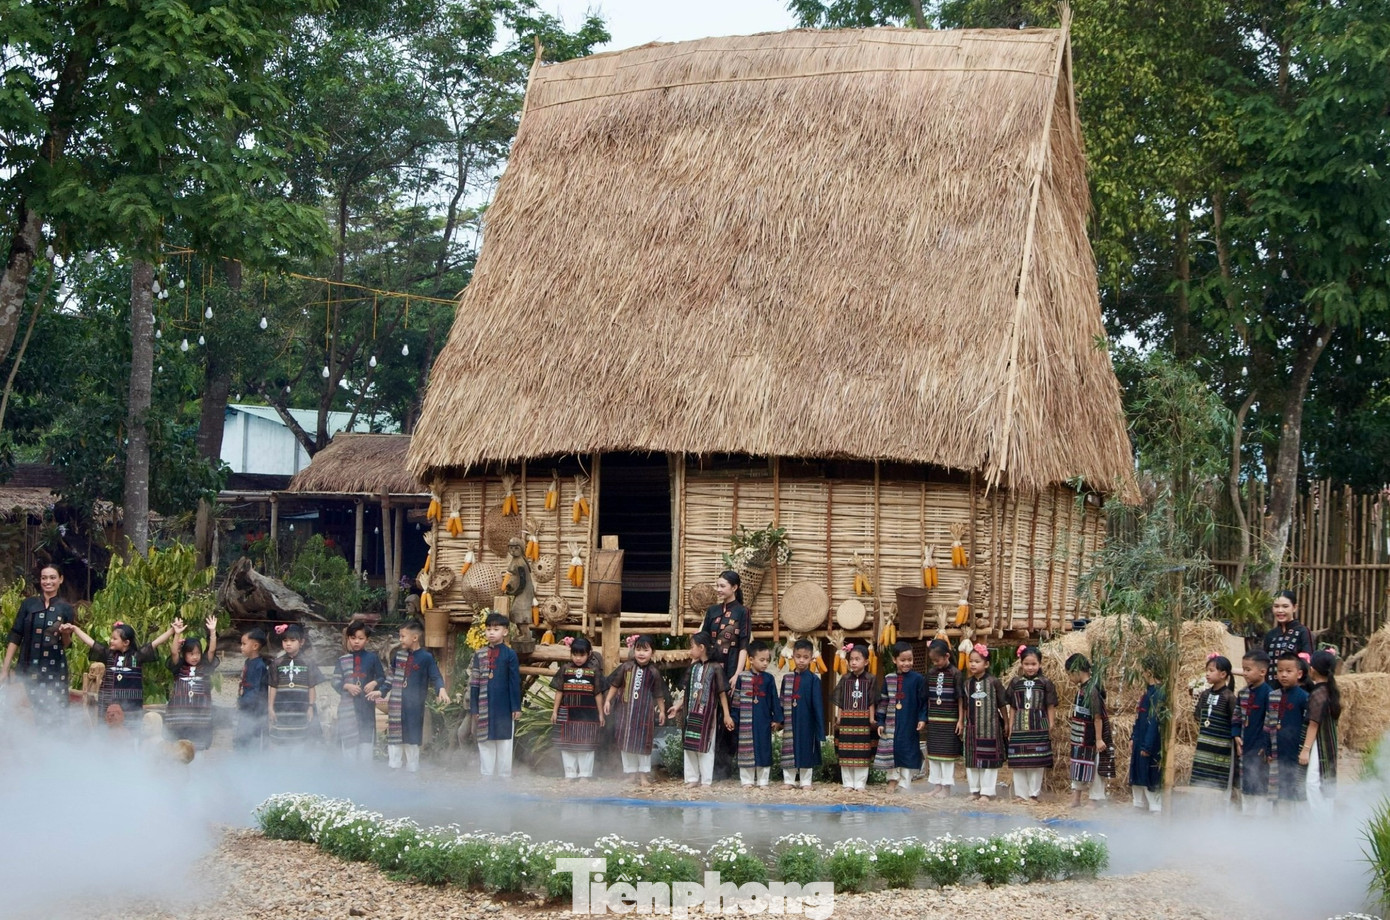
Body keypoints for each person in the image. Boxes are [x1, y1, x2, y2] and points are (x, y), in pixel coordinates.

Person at [372, 619, 448, 773]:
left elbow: (435, 676)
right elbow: (391, 677)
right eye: (400, 636)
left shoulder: (426, 657)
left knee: (412, 738)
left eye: (402, 636)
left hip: (414, 706)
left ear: (415, 637)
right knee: (395, 738)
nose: (400, 639)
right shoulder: (398, 656)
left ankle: (412, 770)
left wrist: (441, 689)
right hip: (396, 705)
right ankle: (394, 768)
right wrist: (381, 691)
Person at [1, 563, 77, 717]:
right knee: (23, 712)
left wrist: (65, 633)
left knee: (55, 711)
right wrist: (5, 669)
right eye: (44, 578)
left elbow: (67, 644)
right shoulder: (28, 604)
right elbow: (16, 635)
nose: (48, 582)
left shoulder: (66, 608)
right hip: (27, 666)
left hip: (55, 668)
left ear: (60, 579)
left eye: (52, 578)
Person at [67, 619, 175, 724]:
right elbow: (91, 642)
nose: (111, 641)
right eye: (111, 638)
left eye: (115, 639)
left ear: (126, 642)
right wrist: (75, 629)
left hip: (131, 708)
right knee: (106, 731)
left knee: (130, 730)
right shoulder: (109, 655)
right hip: (107, 706)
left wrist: (172, 630)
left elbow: (155, 643)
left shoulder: (136, 657)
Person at [666, 632, 733, 787]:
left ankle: (706, 781)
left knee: (706, 746)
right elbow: (688, 692)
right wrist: (677, 706)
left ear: (701, 648)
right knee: (689, 746)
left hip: (708, 715)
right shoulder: (693, 668)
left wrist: (726, 715)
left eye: (692, 647)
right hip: (690, 713)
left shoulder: (716, 668)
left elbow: (722, 693)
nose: (690, 650)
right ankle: (692, 779)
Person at [701, 570, 750, 778]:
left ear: (734, 588)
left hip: (730, 669)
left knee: (727, 716)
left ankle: (724, 768)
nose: (718, 590)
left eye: (722, 586)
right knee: (707, 712)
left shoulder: (742, 612)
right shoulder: (712, 611)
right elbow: (702, 639)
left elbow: (743, 645)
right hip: (711, 668)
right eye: (718, 585)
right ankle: (705, 765)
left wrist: (738, 673)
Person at [604, 634, 670, 786]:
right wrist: (607, 700)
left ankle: (643, 776)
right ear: (634, 651)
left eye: (645, 650)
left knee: (643, 744)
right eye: (638, 650)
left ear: (652, 652)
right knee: (626, 742)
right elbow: (615, 685)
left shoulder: (653, 672)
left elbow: (659, 694)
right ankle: (631, 774)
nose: (641, 653)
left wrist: (661, 711)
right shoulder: (626, 667)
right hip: (625, 713)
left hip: (644, 715)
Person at [467, 612, 521, 778]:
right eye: (488, 629)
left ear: (505, 632)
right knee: (485, 741)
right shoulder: (479, 654)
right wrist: (474, 708)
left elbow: (514, 682)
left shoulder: (510, 654)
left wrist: (516, 707)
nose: (491, 632)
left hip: (504, 706)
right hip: (484, 705)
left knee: (504, 742)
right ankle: (486, 776)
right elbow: (474, 683)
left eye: (496, 629)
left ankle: (504, 777)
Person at [1007, 644, 1059, 803]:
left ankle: (1033, 794)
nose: (1030, 667)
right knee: (1019, 761)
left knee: (1037, 761)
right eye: (1027, 664)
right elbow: (1013, 707)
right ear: (1021, 664)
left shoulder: (1045, 683)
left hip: (1038, 725)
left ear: (1040, 664)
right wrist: (1011, 726)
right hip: (1019, 726)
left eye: (1033, 664)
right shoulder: (1015, 682)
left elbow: (1050, 705)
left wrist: (1050, 724)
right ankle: (1020, 794)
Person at [550, 636, 605, 780]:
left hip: (589, 713)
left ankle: (585, 775)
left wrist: (601, 714)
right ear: (571, 654)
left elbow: (598, 693)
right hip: (567, 712)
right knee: (567, 744)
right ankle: (570, 774)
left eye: (582, 655)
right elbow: (559, 691)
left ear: (589, 654)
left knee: (586, 744)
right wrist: (555, 711)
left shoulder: (594, 671)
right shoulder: (565, 669)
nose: (578, 658)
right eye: (575, 654)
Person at [874, 641, 926, 793]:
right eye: (903, 660)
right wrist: (880, 721)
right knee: (892, 750)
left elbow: (923, 701)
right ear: (894, 660)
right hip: (891, 723)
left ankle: (904, 783)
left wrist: (922, 718)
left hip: (909, 722)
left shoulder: (918, 679)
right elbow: (883, 702)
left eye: (910, 659)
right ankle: (892, 780)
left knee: (908, 751)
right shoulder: (888, 678)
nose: (906, 663)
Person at [164, 615, 220, 750]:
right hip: (179, 718)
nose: (195, 657)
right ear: (184, 654)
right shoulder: (179, 668)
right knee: (179, 750)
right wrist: (177, 634)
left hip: (200, 718)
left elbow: (211, 650)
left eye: (197, 653)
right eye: (191, 654)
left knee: (198, 749)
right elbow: (174, 652)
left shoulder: (205, 666)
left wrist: (212, 632)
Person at [732, 639, 782, 787]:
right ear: (751, 659)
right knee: (745, 749)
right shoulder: (742, 677)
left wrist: (777, 719)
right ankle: (746, 780)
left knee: (764, 749)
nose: (765, 663)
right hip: (745, 722)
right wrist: (734, 719)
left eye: (767, 660)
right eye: (762, 660)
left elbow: (774, 699)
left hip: (763, 721)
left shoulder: (769, 679)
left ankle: (763, 780)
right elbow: (736, 701)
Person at [333, 620, 385, 763]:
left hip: (366, 706)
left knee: (366, 742)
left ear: (367, 640)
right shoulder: (342, 660)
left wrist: (374, 683)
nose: (356, 641)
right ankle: (350, 774)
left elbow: (382, 677)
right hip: (348, 709)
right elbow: (335, 681)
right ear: (348, 638)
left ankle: (365, 773)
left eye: (360, 638)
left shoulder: (372, 658)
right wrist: (347, 686)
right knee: (349, 746)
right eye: (353, 638)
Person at [961, 644, 1008, 801]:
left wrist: (1006, 722)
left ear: (986, 664)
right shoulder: (967, 684)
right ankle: (974, 790)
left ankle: (987, 792)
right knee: (972, 759)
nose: (973, 664)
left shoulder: (994, 682)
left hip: (991, 728)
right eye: (971, 661)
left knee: (989, 760)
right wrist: (963, 722)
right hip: (972, 727)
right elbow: (965, 706)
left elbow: (1002, 704)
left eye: (977, 661)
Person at [1066, 653, 1112, 807]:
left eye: (1069, 674)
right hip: (1080, 736)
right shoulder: (1083, 689)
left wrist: (1098, 739)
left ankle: (1094, 799)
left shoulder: (1092, 690)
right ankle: (1076, 798)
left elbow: (1097, 717)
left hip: (1092, 736)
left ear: (1077, 671)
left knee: (1095, 767)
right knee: (1078, 764)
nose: (1069, 678)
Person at [1266, 652, 1310, 807]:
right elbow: (1268, 724)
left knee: (1295, 787)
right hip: (1277, 750)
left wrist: (1305, 749)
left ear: (1299, 674)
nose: (1283, 675)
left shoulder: (1304, 697)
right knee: (1277, 788)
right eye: (1280, 671)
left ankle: (1293, 818)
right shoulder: (1273, 696)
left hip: (1295, 749)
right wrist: (1268, 749)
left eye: (1288, 671)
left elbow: (1308, 725)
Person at [779, 638, 824, 788]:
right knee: (789, 748)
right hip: (790, 720)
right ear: (793, 656)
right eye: (798, 657)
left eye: (805, 657)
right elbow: (782, 700)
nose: (801, 660)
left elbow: (818, 705)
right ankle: (789, 781)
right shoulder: (787, 678)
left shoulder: (814, 680)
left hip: (807, 721)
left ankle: (806, 781)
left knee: (806, 749)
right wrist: (779, 720)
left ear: (811, 658)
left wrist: (819, 728)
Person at [268, 623, 323, 746]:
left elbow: (311, 686)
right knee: (282, 739)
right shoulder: (277, 663)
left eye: (292, 640)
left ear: (301, 642)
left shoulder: (308, 662)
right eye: (285, 640)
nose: (288, 644)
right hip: (282, 707)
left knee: (301, 739)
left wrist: (310, 706)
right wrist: (270, 707)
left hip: (302, 707)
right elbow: (273, 686)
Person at [833, 641, 878, 790]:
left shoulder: (870, 678)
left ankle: (860, 784)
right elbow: (840, 700)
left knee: (862, 752)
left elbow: (871, 700)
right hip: (846, 720)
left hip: (863, 721)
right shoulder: (845, 678)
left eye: (857, 659)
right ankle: (847, 783)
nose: (853, 662)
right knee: (845, 751)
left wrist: (871, 719)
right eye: (851, 659)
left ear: (866, 662)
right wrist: (839, 718)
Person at [1301, 649, 1340, 816]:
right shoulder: (1330, 690)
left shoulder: (1318, 693)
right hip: (1328, 741)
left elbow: (1313, 724)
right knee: (1325, 782)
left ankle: (1320, 821)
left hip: (1319, 743)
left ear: (1313, 670)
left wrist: (1305, 750)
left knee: (1313, 783)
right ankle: (1326, 818)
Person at [923, 638, 965, 796]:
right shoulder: (931, 673)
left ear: (947, 656)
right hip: (934, 719)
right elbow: (927, 697)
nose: (935, 663)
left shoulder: (956, 673)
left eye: (937, 660)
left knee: (947, 754)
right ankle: (937, 785)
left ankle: (946, 787)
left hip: (950, 720)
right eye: (933, 661)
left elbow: (960, 698)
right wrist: (926, 717)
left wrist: (960, 720)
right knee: (934, 754)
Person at [1191, 654, 1238, 794]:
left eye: (1211, 671)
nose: (1207, 674)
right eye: (1207, 670)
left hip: (1221, 748)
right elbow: (1198, 716)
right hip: (1203, 745)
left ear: (1223, 674)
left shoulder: (1229, 697)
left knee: (1217, 784)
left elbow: (1235, 721)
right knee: (1200, 780)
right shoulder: (1205, 694)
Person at [1234, 649, 1273, 814]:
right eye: (1243, 669)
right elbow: (1237, 716)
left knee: (1260, 781)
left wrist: (1266, 745)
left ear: (1262, 672)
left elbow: (1270, 722)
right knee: (1246, 780)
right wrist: (1236, 735)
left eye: (1248, 669)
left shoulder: (1270, 694)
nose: (1244, 673)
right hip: (1245, 744)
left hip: (1260, 747)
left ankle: (1261, 818)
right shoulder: (1243, 693)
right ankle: (1247, 815)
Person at [1128, 657, 1164, 813]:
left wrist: (1147, 745)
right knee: (1138, 772)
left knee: (1149, 773)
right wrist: (1133, 736)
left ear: (1149, 672)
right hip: (1139, 739)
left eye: (1143, 671)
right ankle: (1138, 804)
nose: (1141, 674)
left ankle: (1155, 807)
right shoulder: (1147, 693)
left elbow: (1154, 721)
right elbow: (1139, 718)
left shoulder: (1158, 694)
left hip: (1148, 742)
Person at [235, 627, 271, 751]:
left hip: (255, 710)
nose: (241, 647)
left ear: (255, 646)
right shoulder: (248, 662)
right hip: (246, 708)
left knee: (253, 739)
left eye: (244, 644)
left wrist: (244, 702)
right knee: (242, 737)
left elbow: (255, 690)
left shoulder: (260, 665)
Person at [1263, 590, 1314, 661]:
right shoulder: (1271, 634)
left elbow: (1308, 659)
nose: (1280, 610)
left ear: (1294, 607)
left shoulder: (1302, 631)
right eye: (1276, 606)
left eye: (1285, 606)